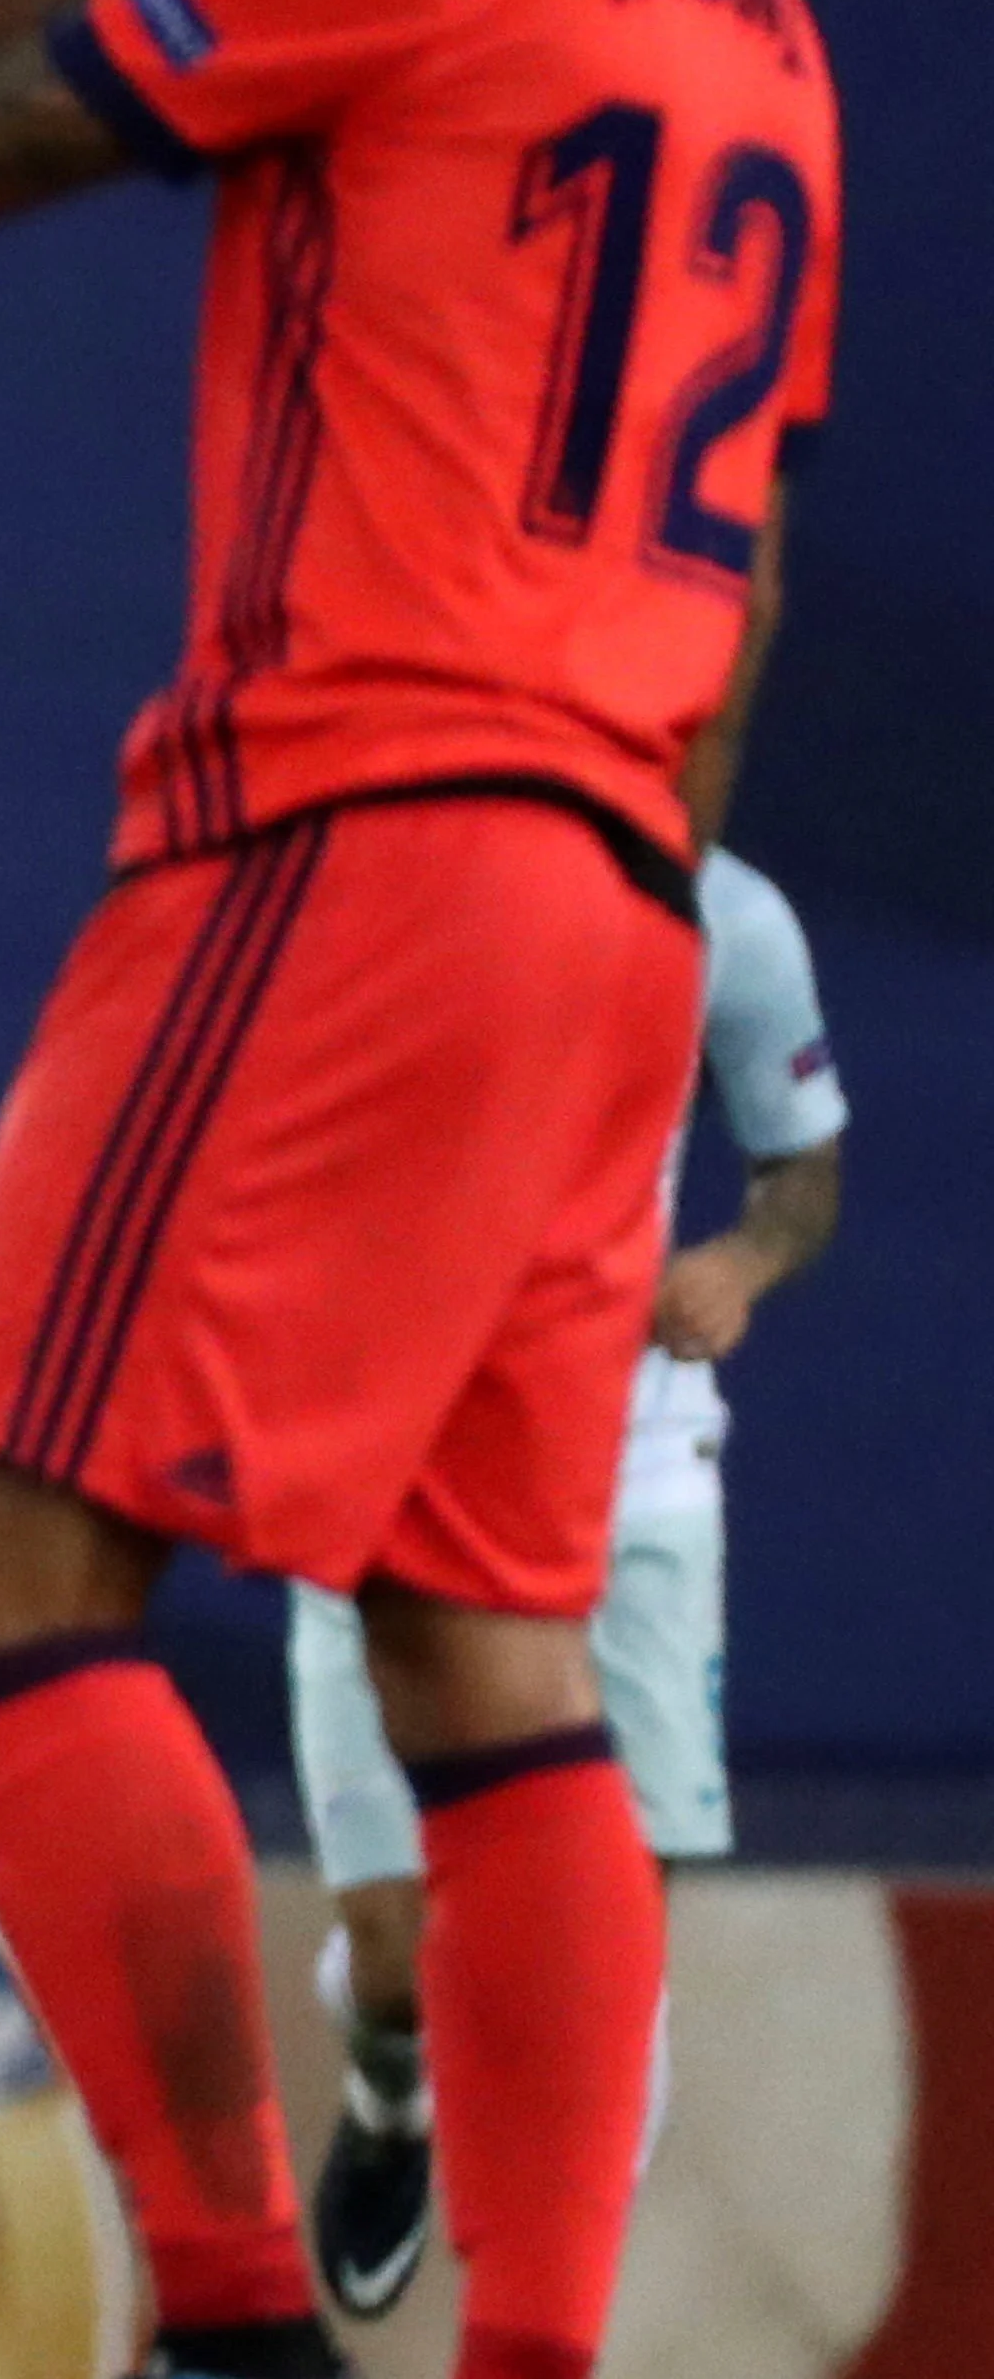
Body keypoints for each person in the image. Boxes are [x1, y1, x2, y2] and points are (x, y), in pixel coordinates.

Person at [0, 0, 835, 2371]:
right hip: (617, 886)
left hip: (351, 831)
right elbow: (741, 554)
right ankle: (532, 2349)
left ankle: (234, 2315)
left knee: (0, 1572)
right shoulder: (758, 3)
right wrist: (620, 911)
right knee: (487, 1657)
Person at [287, 844, 843, 2316]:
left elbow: (803, 1170)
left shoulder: (733, 912)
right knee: (402, 1963)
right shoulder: (382, 861)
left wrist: (743, 1261)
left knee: (603, 1975)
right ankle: (390, 2096)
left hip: (637, 1488)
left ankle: (547, 2334)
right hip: (388, 1470)